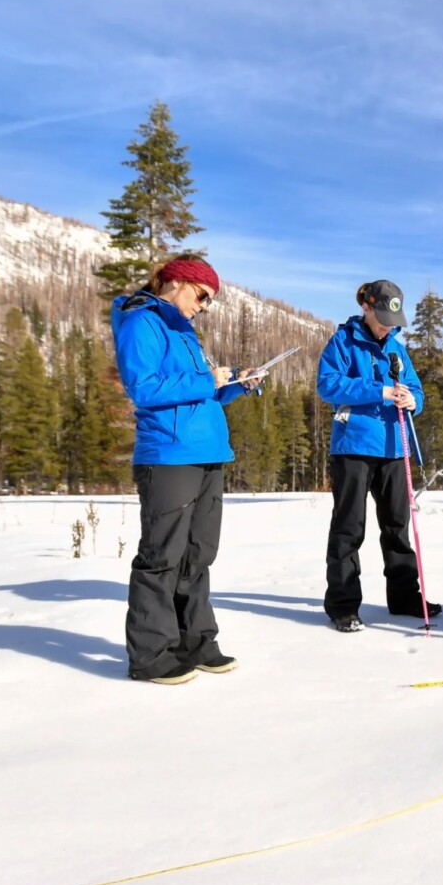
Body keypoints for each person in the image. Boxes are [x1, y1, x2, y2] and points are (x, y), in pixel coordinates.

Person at [111, 255, 262, 685]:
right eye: (202, 295)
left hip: (207, 452)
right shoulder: (142, 322)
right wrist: (208, 379)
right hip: (168, 455)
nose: (203, 306)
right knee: (162, 556)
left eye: (209, 301)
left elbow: (200, 395)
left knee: (198, 555)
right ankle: (150, 655)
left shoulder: (184, 332)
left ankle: (195, 642)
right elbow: (143, 387)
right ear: (177, 282)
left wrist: (235, 384)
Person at [317, 280, 441, 632]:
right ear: (367, 307)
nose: (388, 325)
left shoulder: (397, 349)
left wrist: (413, 401)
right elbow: (328, 384)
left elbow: (415, 388)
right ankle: (343, 605)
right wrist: (380, 391)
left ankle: (404, 597)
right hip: (353, 446)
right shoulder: (343, 342)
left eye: (394, 320)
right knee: (349, 527)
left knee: (397, 526)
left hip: (394, 445)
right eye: (384, 317)